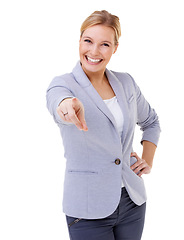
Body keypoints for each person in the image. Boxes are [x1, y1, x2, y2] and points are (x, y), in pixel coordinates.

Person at [46, 10, 161, 240]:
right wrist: (67, 107)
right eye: (88, 41)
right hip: (87, 209)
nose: (94, 51)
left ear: (115, 48)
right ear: (79, 40)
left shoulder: (126, 83)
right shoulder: (63, 84)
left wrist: (147, 159)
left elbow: (151, 121)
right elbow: (58, 103)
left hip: (132, 201)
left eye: (104, 44)